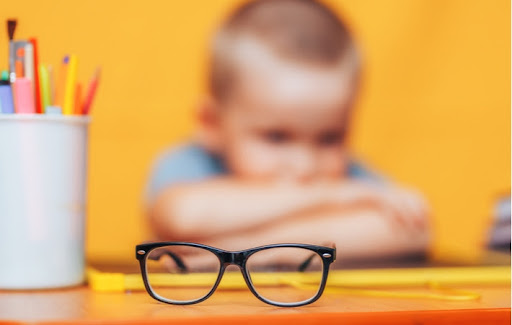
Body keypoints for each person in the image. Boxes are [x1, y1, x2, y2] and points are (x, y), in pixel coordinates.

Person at [145, 0, 429, 262]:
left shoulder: (350, 176)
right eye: (276, 136)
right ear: (212, 125)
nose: (305, 166)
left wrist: (254, 248)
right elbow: (184, 218)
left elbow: (414, 232)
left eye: (330, 137)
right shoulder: (188, 164)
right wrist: (328, 196)